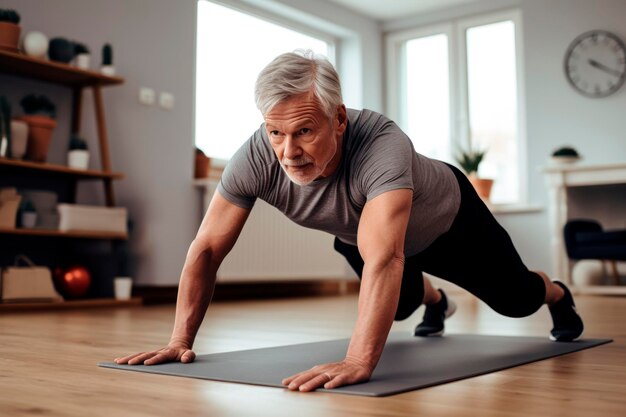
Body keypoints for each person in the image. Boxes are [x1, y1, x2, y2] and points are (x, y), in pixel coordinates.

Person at [115, 50, 584, 392]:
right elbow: (208, 248)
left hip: (450, 223)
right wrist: (179, 340)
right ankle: (435, 301)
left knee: (515, 299)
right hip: (365, 236)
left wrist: (359, 360)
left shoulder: (382, 145)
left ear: (338, 118)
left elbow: (386, 257)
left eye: (304, 130)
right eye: (275, 132)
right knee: (399, 307)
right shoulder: (255, 157)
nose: (288, 152)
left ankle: (556, 292)